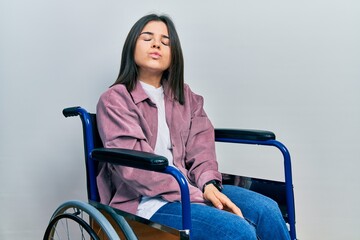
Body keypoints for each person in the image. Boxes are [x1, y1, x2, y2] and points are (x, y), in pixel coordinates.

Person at [96, 13, 290, 240]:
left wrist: (208, 184)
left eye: (165, 42)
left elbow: (202, 148)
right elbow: (137, 172)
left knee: (267, 210)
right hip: (143, 201)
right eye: (147, 38)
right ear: (131, 47)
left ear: (174, 54)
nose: (157, 44)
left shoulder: (187, 98)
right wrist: (196, 195)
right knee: (235, 230)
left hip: (191, 187)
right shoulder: (115, 99)